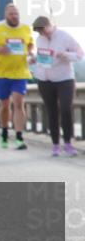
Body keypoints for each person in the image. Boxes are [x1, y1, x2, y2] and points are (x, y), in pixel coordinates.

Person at [0, 3, 33, 151]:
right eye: (11, 14)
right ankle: (4, 132)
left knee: (18, 102)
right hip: (2, 73)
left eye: (16, 14)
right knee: (4, 105)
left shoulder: (25, 28)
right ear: (6, 15)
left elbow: (30, 45)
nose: (14, 16)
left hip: (20, 73)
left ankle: (19, 136)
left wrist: (30, 53)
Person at [31, 16, 83, 157]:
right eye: (39, 32)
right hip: (44, 79)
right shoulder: (39, 39)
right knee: (52, 111)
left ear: (49, 26)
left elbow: (80, 54)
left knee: (66, 109)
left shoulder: (64, 36)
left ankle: (68, 143)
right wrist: (34, 59)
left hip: (64, 78)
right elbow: (42, 57)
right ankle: (55, 145)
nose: (42, 34)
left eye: (43, 30)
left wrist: (65, 55)